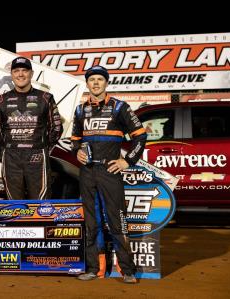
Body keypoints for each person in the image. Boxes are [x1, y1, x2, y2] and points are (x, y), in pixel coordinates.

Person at [71, 65, 147, 284]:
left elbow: (140, 137)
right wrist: (78, 153)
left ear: (106, 82)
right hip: (87, 173)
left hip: (110, 171)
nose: (95, 83)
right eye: (92, 79)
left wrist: (127, 161)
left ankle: (128, 270)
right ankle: (95, 269)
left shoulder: (120, 107)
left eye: (100, 79)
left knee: (117, 221)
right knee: (91, 223)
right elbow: (75, 140)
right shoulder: (79, 110)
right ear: (87, 84)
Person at [0, 56, 63, 199]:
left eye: (25, 70)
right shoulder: (1, 100)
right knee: (15, 205)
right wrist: (8, 148)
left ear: (32, 73)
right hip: (11, 157)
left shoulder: (45, 98)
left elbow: (56, 128)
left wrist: (42, 146)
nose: (20, 74)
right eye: (16, 71)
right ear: (11, 74)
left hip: (37, 155)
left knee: (40, 205)